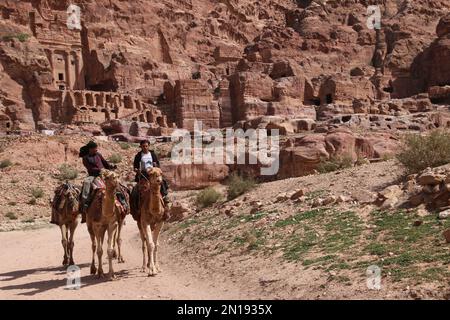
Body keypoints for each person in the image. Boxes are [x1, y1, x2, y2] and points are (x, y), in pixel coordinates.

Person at [79, 141, 117, 223]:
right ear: (90, 149)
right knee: (86, 185)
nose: (96, 149)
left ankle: (122, 204)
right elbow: (90, 168)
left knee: (115, 183)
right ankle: (85, 205)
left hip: (104, 174)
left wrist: (111, 166)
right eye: (95, 148)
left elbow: (105, 163)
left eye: (96, 148)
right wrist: (100, 170)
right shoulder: (85, 158)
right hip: (93, 176)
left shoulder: (98, 155)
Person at [131, 140, 170, 219]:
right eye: (143, 146)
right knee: (135, 190)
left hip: (153, 174)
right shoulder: (138, 155)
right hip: (143, 175)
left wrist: (156, 166)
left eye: (146, 146)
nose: (145, 147)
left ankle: (165, 200)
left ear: (148, 146)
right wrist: (137, 170)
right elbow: (135, 166)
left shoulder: (152, 154)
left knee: (162, 182)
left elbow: (157, 163)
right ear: (141, 147)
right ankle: (136, 208)